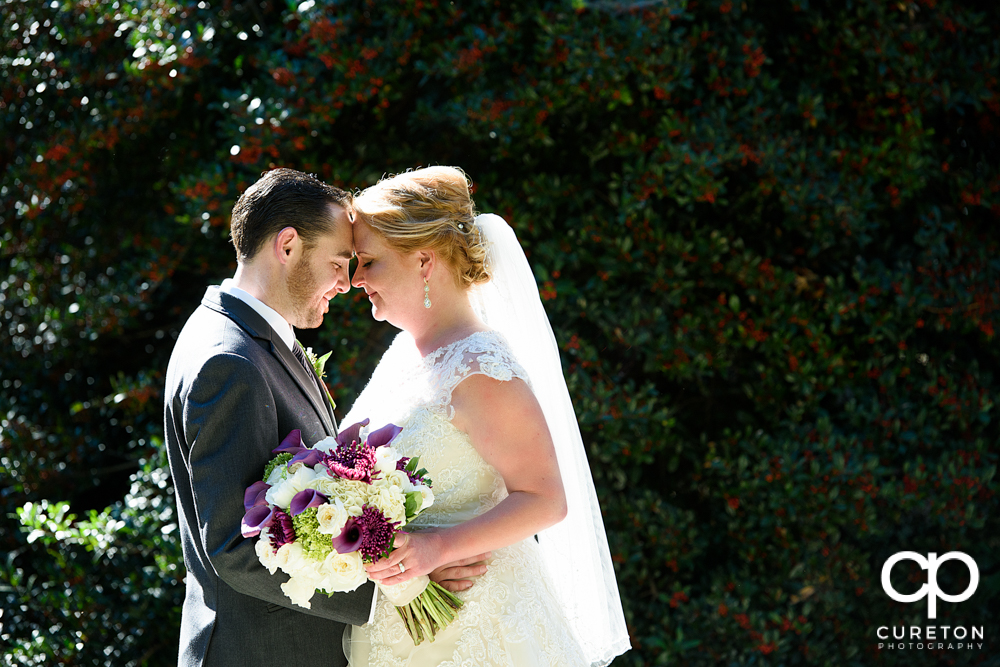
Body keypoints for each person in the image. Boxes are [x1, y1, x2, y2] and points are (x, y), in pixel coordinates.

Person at [343, 167, 630, 666]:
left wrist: (438, 549)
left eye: (369, 261)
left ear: (424, 261)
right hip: (400, 625)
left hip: (476, 623)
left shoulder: (481, 369)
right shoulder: (402, 353)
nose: (356, 279)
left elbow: (546, 499)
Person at [163, 168, 377, 666]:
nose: (347, 284)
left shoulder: (249, 336)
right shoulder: (229, 362)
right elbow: (235, 546)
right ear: (287, 246)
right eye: (339, 263)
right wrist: (382, 592)